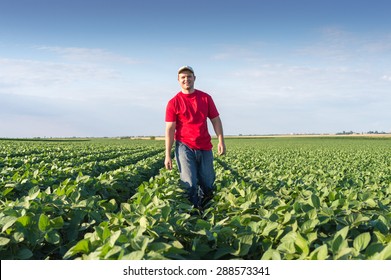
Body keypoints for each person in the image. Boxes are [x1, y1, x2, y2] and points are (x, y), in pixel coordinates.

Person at [165, 65, 226, 209]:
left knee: (207, 182)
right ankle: (192, 214)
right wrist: (167, 154)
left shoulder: (205, 98)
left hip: (204, 146)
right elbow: (170, 128)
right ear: (178, 80)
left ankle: (207, 210)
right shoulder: (173, 102)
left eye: (189, 76)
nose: (186, 79)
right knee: (189, 184)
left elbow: (215, 120)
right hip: (184, 146)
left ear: (194, 78)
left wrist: (221, 141)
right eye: (183, 77)